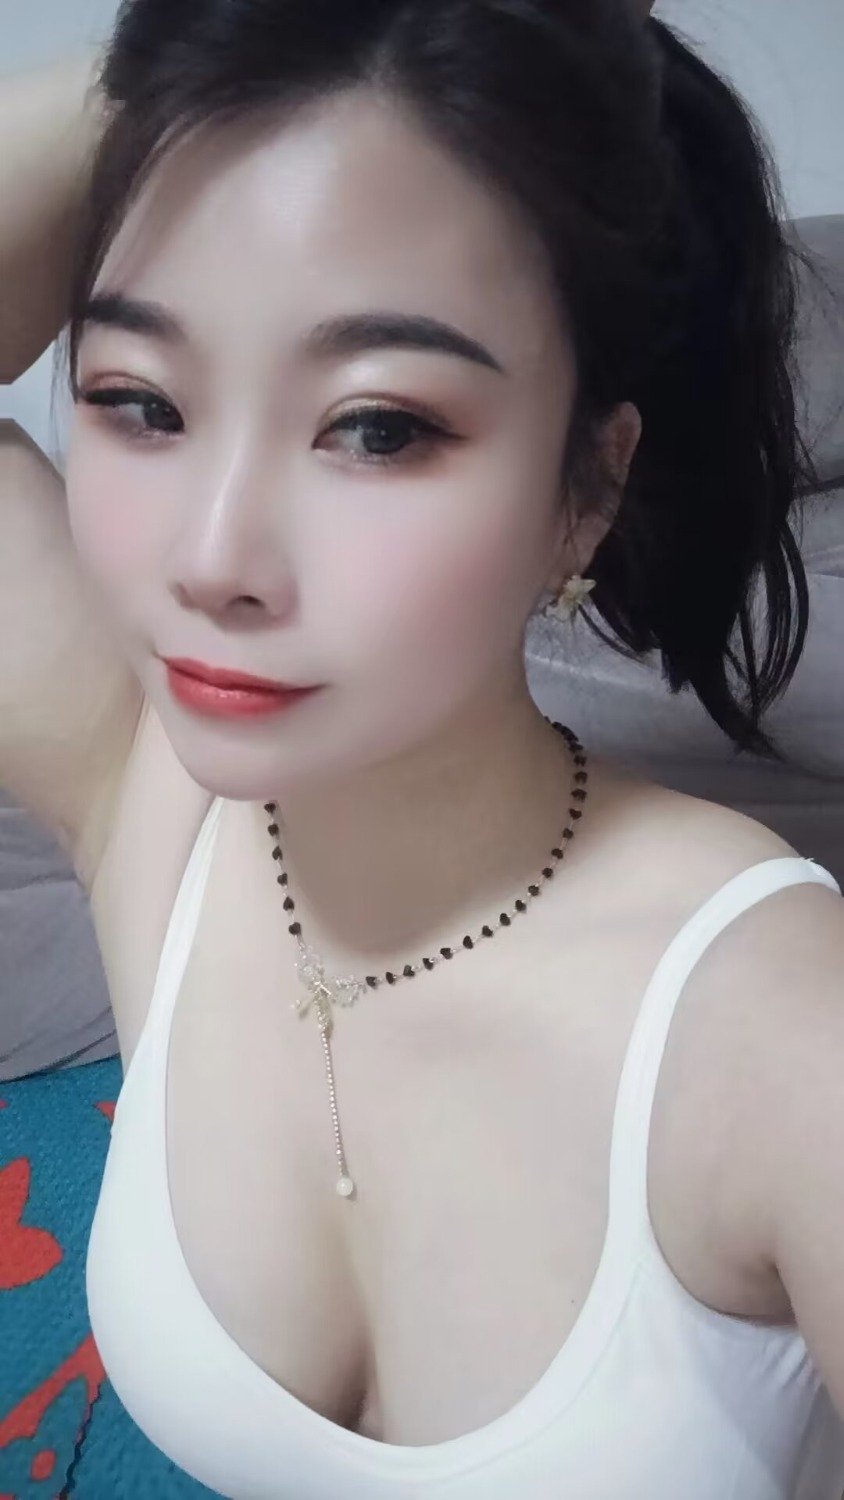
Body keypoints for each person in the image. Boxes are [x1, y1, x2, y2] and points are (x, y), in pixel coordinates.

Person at [2, 2, 844, 1496]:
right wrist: (218, 50)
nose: (213, 559)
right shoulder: (152, 805)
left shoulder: (779, 1037)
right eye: (141, 402)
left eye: (378, 429)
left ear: (589, 488)